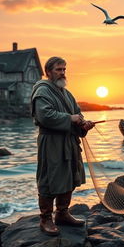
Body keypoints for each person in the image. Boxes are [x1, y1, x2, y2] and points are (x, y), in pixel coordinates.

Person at [31, 56, 95, 236]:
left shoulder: (66, 93)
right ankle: (45, 219)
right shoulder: (42, 90)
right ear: (48, 72)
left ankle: (62, 213)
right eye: (59, 69)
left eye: (64, 69)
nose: (63, 73)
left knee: (69, 176)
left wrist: (83, 124)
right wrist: (70, 119)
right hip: (51, 142)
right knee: (49, 178)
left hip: (68, 141)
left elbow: (77, 115)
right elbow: (45, 116)